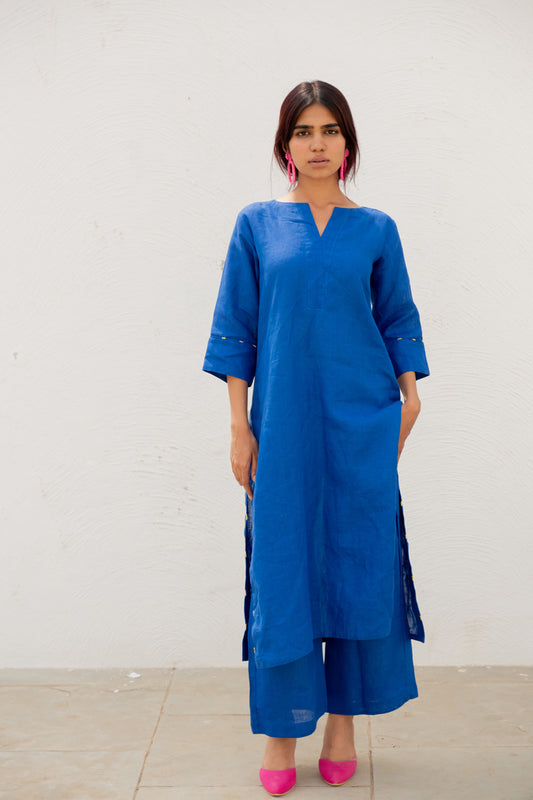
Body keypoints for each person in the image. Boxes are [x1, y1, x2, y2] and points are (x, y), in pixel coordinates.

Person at [202, 80, 429, 797]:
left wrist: (410, 399)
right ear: (285, 144)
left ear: (348, 142)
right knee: (284, 566)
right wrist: (239, 426)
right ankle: (281, 732)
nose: (318, 143)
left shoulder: (376, 229)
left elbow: (397, 318)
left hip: (361, 421)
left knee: (359, 564)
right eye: (304, 131)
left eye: (330, 130)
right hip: (283, 426)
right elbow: (236, 327)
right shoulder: (258, 225)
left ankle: (341, 726)